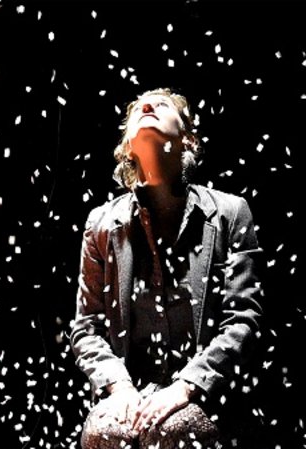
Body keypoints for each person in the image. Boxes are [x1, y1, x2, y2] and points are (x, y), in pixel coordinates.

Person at [71, 88, 265, 449]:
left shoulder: (231, 212)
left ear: (187, 140)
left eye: (161, 105)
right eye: (138, 110)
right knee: (105, 433)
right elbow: (87, 328)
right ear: (127, 147)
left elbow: (243, 320)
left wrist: (186, 387)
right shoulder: (101, 223)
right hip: (130, 390)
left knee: (174, 431)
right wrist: (119, 387)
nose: (147, 106)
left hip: (208, 392)